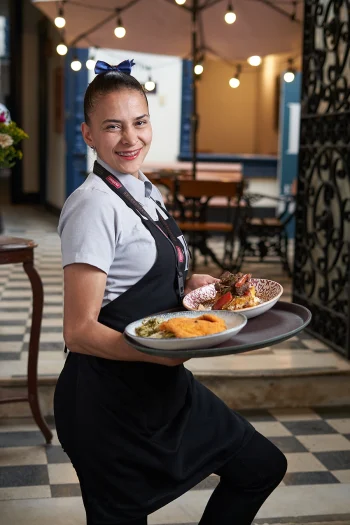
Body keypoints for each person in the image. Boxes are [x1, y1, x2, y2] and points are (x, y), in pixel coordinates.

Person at [54, 59, 287, 525]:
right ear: (88, 134)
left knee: (260, 466)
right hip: (108, 403)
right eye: (113, 126)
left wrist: (189, 282)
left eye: (139, 122)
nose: (130, 138)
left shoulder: (147, 192)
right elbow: (79, 332)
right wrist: (158, 354)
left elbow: (144, 275)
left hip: (163, 390)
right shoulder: (92, 206)